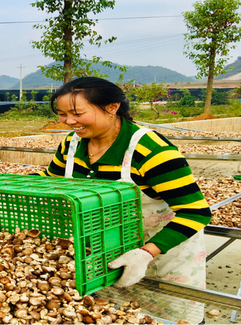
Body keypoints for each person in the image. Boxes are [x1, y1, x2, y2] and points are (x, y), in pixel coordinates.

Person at [38, 77, 211, 322]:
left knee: (172, 316)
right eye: (62, 114)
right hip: (105, 249)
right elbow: (50, 180)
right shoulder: (71, 144)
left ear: (112, 108)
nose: (68, 121)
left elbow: (196, 212)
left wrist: (146, 253)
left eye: (77, 113)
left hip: (161, 251)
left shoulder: (151, 150)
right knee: (114, 314)